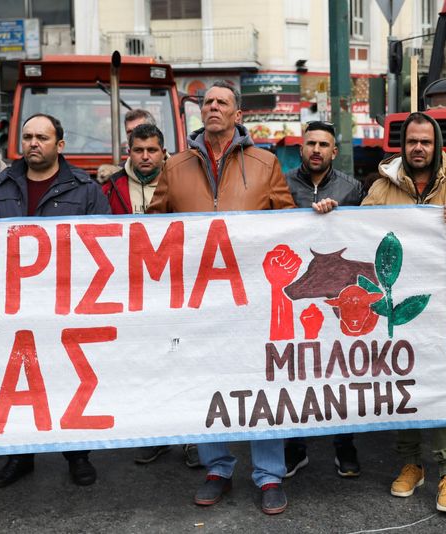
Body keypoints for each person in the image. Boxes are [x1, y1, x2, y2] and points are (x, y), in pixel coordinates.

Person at [147, 81, 296, 515]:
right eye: (207, 102)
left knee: (263, 384)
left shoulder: (265, 163)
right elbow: (155, 228)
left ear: (237, 114)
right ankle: (218, 469)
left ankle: (269, 475)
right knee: (207, 380)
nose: (212, 107)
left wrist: (316, 218)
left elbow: (288, 223)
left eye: (221, 103)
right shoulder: (174, 167)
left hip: (252, 299)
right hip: (198, 301)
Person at [361, 112, 446, 515]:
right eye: (412, 141)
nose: (419, 148)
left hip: (439, 314)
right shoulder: (380, 190)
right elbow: (356, 235)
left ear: (437, 146)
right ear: (403, 146)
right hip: (395, 312)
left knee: (444, 391)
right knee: (402, 390)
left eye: (425, 142)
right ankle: (410, 464)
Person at [0, 113, 111, 488]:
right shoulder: (0, 186)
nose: (34, 143)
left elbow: (107, 245)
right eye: (28, 137)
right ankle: (20, 455)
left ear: (60, 145)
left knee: (67, 377)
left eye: (42, 137)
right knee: (18, 382)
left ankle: (77, 455)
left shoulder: (86, 190)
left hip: (67, 304)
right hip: (14, 305)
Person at [102, 122, 200, 468]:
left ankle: (190, 437)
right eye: (139, 150)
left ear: (163, 152)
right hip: (131, 290)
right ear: (130, 151)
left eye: (152, 150)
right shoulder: (109, 187)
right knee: (147, 364)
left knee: (183, 360)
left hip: (175, 287)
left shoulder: (183, 180)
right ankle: (157, 434)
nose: (145, 157)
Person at [282, 120, 365, 478]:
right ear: (301, 148)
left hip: (338, 297)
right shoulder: (282, 185)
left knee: (340, 370)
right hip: (296, 293)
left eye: (324, 144)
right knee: (295, 369)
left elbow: (364, 234)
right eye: (310, 143)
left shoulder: (352, 188)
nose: (316, 150)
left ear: (334, 151)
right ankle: (295, 448)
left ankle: (344, 446)